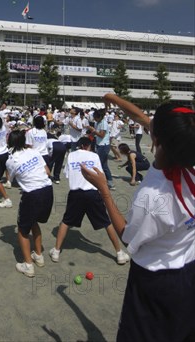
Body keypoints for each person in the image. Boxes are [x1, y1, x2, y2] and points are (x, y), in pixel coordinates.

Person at [81, 94, 195, 342]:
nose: (146, 120)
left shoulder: (154, 195)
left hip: (157, 282)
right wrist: (113, 98)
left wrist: (104, 191)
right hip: (188, 270)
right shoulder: (188, 160)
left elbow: (127, 237)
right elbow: (140, 116)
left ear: (155, 138)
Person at [49, 137, 129, 265]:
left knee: (66, 221)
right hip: (92, 192)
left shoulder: (71, 155)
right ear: (87, 146)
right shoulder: (94, 156)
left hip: (75, 193)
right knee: (106, 222)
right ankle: (119, 253)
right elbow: (100, 176)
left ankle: (56, 251)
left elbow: (67, 174)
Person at [6, 129, 53, 278]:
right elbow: (48, 172)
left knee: (22, 230)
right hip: (47, 190)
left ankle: (28, 265)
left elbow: (11, 179)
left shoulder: (11, 160)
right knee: (34, 223)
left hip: (32, 194)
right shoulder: (34, 152)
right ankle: (38, 255)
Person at [87, 109, 115, 190]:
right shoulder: (98, 123)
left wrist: (94, 131)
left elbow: (101, 135)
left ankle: (103, 182)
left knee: (100, 164)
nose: (94, 119)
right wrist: (89, 134)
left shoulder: (104, 123)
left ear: (99, 117)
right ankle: (109, 182)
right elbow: (95, 133)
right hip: (99, 145)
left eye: (95, 117)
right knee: (104, 165)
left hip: (104, 146)